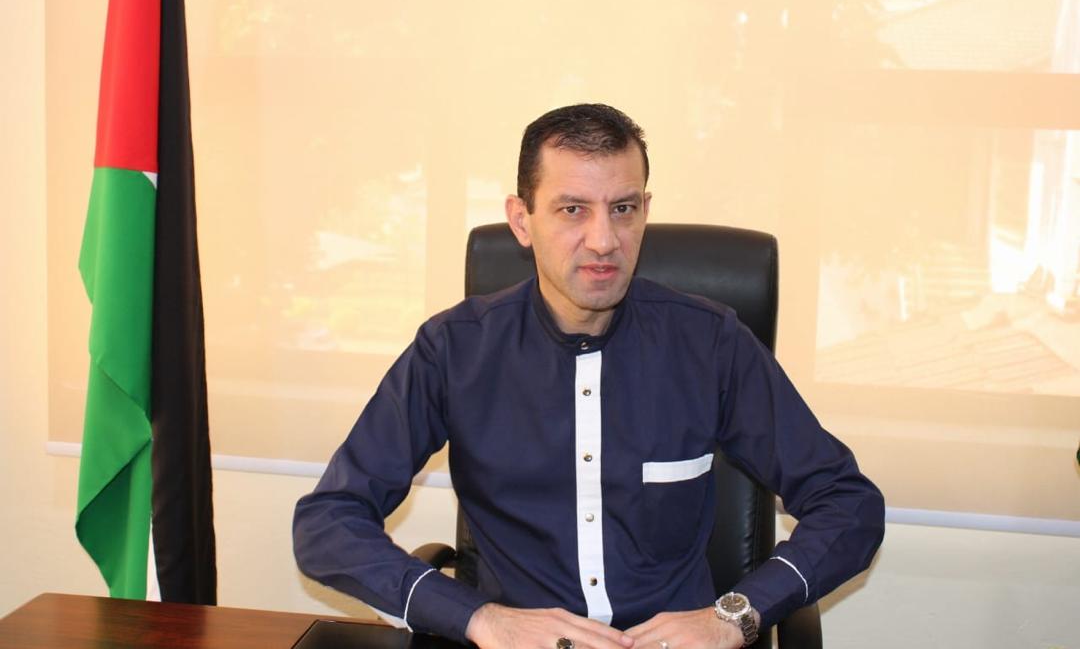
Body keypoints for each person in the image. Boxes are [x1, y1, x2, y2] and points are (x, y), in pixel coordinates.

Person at [293, 103, 885, 649]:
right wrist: (479, 618)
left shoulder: (710, 344)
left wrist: (735, 615)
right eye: (572, 209)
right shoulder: (453, 351)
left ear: (645, 211)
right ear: (521, 220)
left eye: (623, 209)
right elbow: (327, 523)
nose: (604, 241)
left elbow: (849, 505)